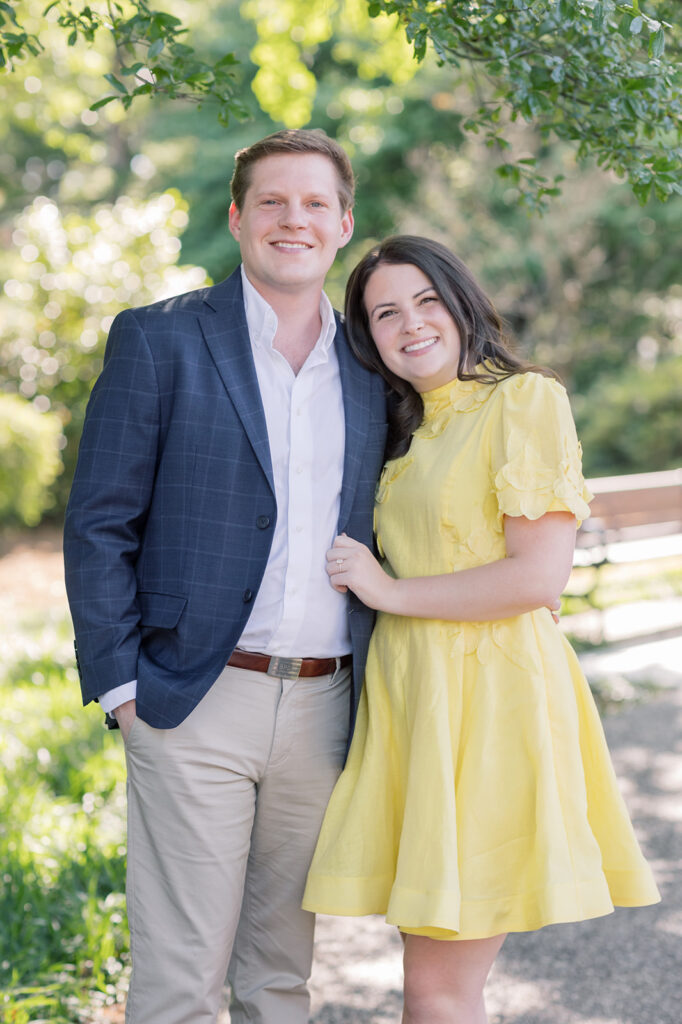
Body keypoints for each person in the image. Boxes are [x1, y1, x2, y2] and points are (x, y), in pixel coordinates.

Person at [63, 129, 388, 1024]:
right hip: (193, 695)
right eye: (274, 201)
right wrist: (122, 683)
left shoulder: (374, 364)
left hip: (328, 706)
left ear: (344, 223)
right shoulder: (160, 339)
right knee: (180, 981)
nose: (296, 219)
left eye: (316, 203)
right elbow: (99, 522)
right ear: (238, 218)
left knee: (281, 976)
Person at [303, 235, 660, 1024]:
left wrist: (388, 589)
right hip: (415, 701)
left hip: (487, 704)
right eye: (385, 312)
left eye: (427, 300)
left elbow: (537, 578)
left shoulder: (524, 401)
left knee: (438, 991)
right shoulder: (409, 434)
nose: (411, 324)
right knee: (435, 982)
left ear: (463, 303)